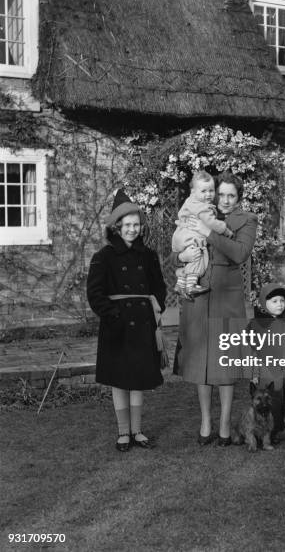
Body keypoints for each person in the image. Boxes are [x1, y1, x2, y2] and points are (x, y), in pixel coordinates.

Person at [172, 171, 257, 446]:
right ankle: (206, 422)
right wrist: (181, 255)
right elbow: (178, 244)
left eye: (231, 195)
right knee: (201, 362)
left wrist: (208, 231)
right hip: (198, 298)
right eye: (221, 194)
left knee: (226, 363)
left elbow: (240, 253)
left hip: (227, 299)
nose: (225, 200)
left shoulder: (246, 220)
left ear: (239, 198)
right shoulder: (200, 210)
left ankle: (224, 424)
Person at [87, 190, 166, 452]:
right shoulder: (104, 256)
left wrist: (155, 309)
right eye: (127, 225)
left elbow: (159, 288)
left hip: (143, 324)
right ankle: (123, 432)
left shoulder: (148, 255)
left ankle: (137, 430)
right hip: (117, 326)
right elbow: (95, 294)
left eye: (136, 225)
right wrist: (114, 316)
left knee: (139, 378)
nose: (132, 230)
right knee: (120, 379)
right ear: (117, 226)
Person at [245, 282, 285, 445]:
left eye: (282, 300)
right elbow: (251, 351)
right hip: (269, 368)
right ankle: (273, 429)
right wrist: (254, 373)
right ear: (263, 303)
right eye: (274, 301)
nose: (279, 304)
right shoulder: (255, 324)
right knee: (274, 397)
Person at [172, 171, 233, 296]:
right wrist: (225, 230)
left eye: (211, 190)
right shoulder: (203, 208)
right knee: (197, 256)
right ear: (193, 191)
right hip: (191, 236)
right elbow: (212, 223)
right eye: (203, 191)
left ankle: (180, 284)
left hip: (180, 235)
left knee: (190, 258)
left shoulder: (190, 201)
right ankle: (191, 285)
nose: (208, 194)